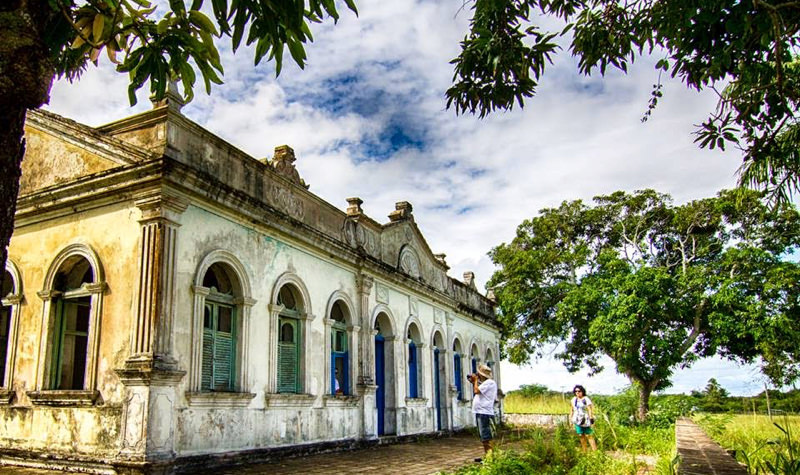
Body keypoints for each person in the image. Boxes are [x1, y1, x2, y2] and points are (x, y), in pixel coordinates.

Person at [469, 363, 497, 461]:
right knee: (484, 436)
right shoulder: (486, 383)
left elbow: (476, 391)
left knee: (486, 437)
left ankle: (490, 458)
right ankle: (487, 456)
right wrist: (474, 382)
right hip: (481, 412)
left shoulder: (490, 382)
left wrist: (476, 381)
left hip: (484, 413)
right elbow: (479, 390)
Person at [570, 384, 597, 451]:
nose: (577, 392)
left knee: (588, 435)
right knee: (581, 435)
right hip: (577, 420)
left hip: (585, 420)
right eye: (576, 391)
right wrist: (570, 419)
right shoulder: (573, 400)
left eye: (579, 391)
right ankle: (584, 451)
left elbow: (589, 409)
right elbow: (572, 410)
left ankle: (595, 451)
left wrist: (591, 418)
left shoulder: (586, 399)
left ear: (582, 391)